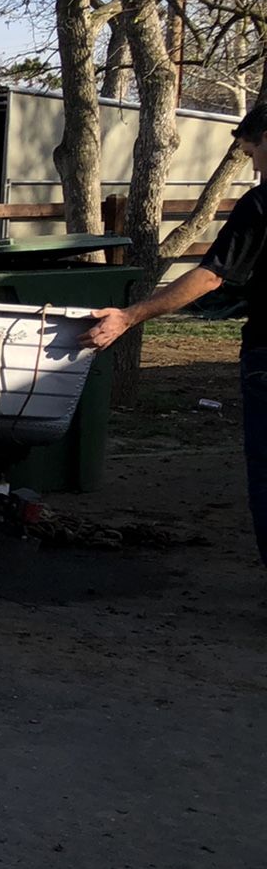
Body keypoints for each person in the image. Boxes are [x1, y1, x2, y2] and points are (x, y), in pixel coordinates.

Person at [86, 103, 267, 566]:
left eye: (253, 151)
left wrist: (130, 316)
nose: (253, 162)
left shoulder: (261, 204)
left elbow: (211, 277)